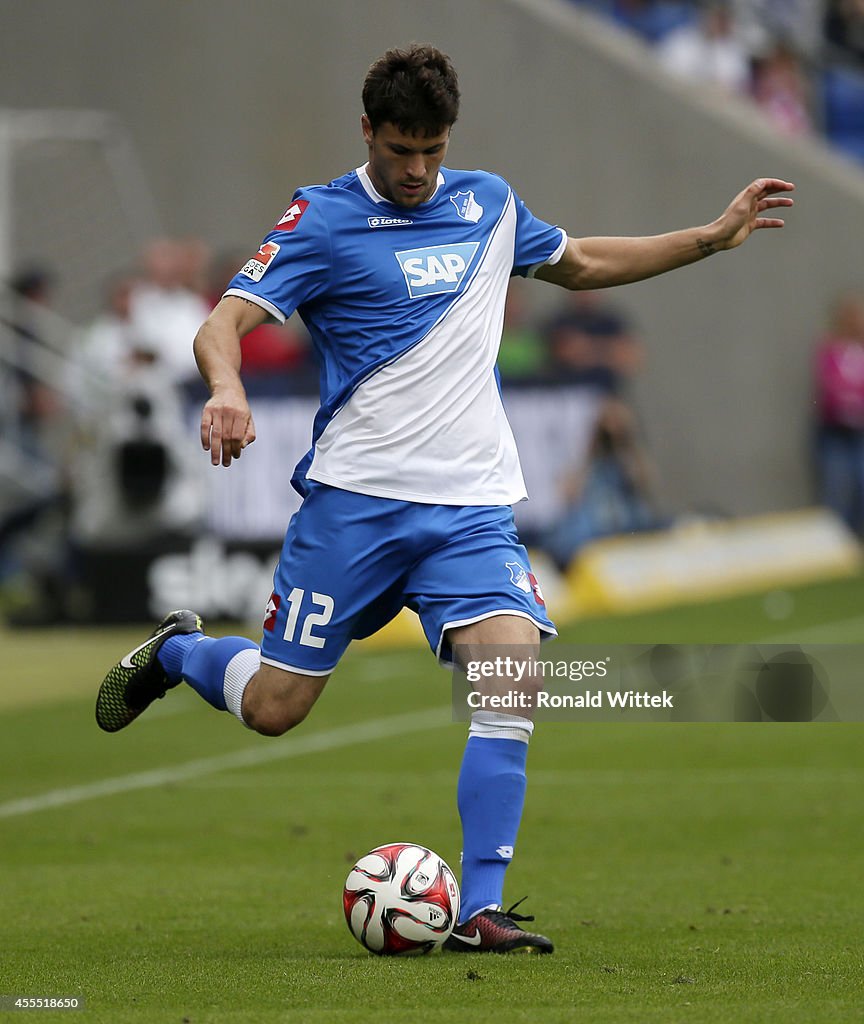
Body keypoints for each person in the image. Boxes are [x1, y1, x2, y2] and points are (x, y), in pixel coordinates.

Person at [95, 43, 794, 954]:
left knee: (512, 678)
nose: (417, 170)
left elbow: (579, 260)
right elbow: (222, 322)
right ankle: (182, 654)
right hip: (355, 506)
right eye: (399, 151)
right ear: (367, 134)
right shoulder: (322, 218)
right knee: (275, 707)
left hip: (468, 508)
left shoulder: (489, 203)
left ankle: (479, 908)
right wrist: (226, 389)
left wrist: (707, 238)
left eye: (431, 149)